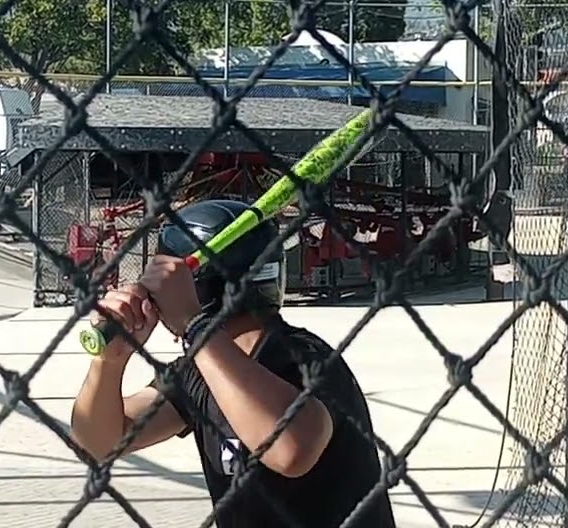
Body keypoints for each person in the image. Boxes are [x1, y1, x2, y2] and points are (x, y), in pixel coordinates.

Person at [69, 198, 397, 528]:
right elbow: (101, 444)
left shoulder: (304, 358)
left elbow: (291, 451)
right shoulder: (198, 372)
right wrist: (108, 364)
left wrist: (193, 326)